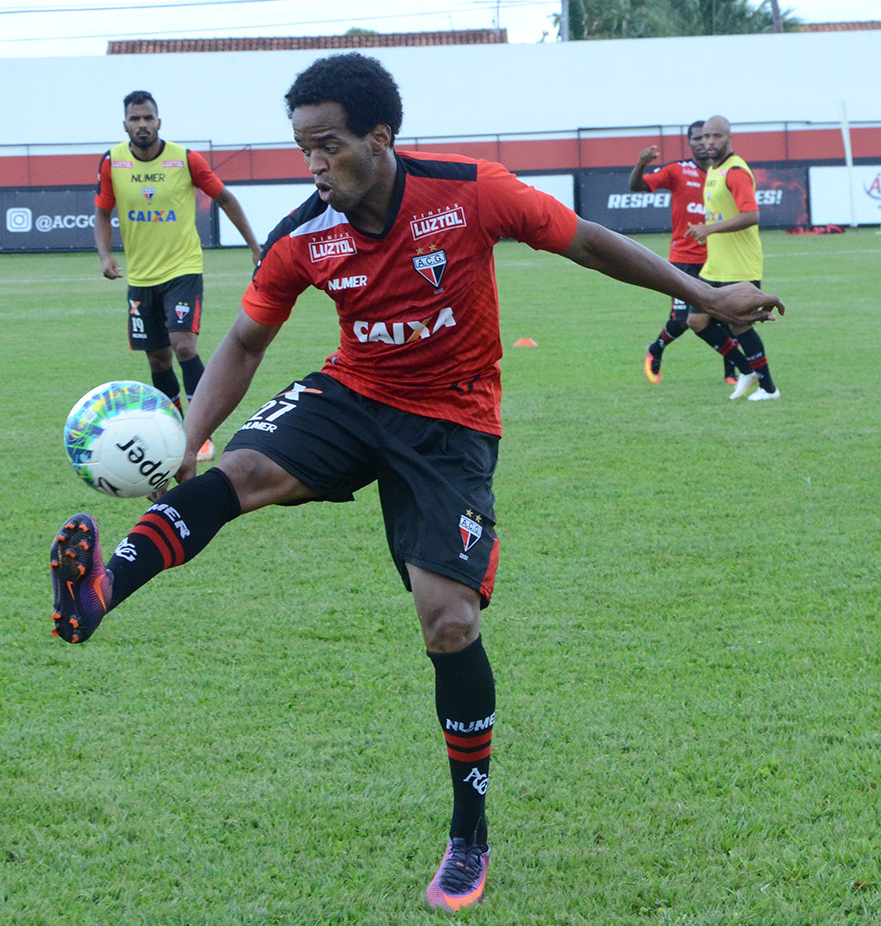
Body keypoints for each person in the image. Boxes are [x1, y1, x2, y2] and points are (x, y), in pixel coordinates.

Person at [50, 53, 781, 912]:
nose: (314, 164)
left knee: (449, 620)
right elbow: (244, 342)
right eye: (302, 148)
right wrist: (191, 439)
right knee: (238, 472)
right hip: (353, 392)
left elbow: (586, 240)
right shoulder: (302, 235)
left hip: (451, 420)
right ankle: (100, 591)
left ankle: (469, 833)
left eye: (328, 145)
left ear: (380, 137)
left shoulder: (470, 191)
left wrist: (704, 295)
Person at [94, 89, 263, 462]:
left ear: (159, 122)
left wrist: (254, 245)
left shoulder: (185, 160)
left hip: (183, 269)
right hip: (141, 278)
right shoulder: (112, 162)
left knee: (184, 345)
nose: (142, 124)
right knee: (158, 360)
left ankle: (200, 433)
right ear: (125, 124)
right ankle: (173, 431)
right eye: (135, 119)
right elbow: (103, 213)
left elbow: (225, 199)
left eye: (148, 118)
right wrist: (105, 255)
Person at [633, 122, 755, 388]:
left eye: (707, 137)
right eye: (697, 138)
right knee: (682, 321)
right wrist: (641, 164)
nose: (703, 142)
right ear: (689, 143)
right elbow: (637, 186)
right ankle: (656, 348)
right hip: (684, 258)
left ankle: (733, 372)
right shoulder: (678, 170)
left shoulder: (725, 172)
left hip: (718, 258)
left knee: (724, 315)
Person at [680, 115, 780, 401]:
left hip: (740, 264)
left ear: (729, 138)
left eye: (716, 136)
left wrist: (709, 229)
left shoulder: (735, 171)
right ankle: (746, 369)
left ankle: (769, 389)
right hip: (716, 265)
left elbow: (751, 215)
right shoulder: (715, 170)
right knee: (696, 321)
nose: (709, 141)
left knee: (740, 325)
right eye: (705, 136)